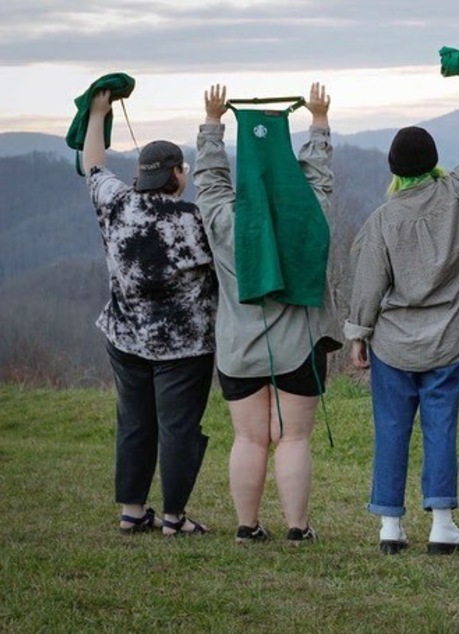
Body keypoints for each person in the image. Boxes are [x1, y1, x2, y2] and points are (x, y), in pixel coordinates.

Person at [344, 54, 459, 555]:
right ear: (434, 160)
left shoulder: (382, 221)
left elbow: (368, 286)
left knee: (391, 429)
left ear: (393, 168)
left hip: (393, 346)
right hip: (448, 343)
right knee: (441, 428)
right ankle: (442, 522)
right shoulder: (458, 194)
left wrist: (358, 336)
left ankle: (390, 526)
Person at [195, 82, 342, 544]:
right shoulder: (306, 215)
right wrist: (318, 121)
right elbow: (318, 179)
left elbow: (209, 182)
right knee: (293, 438)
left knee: (250, 438)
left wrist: (214, 125)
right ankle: (298, 530)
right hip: (298, 347)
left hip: (238, 350)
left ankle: (247, 526)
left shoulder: (224, 219)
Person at [83, 90, 217, 536]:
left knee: (135, 423)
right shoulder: (194, 220)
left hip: (125, 335)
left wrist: (98, 114)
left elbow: (93, 167)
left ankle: (132, 510)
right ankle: (175, 518)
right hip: (185, 345)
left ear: (141, 176)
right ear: (178, 174)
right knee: (178, 428)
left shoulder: (118, 205)